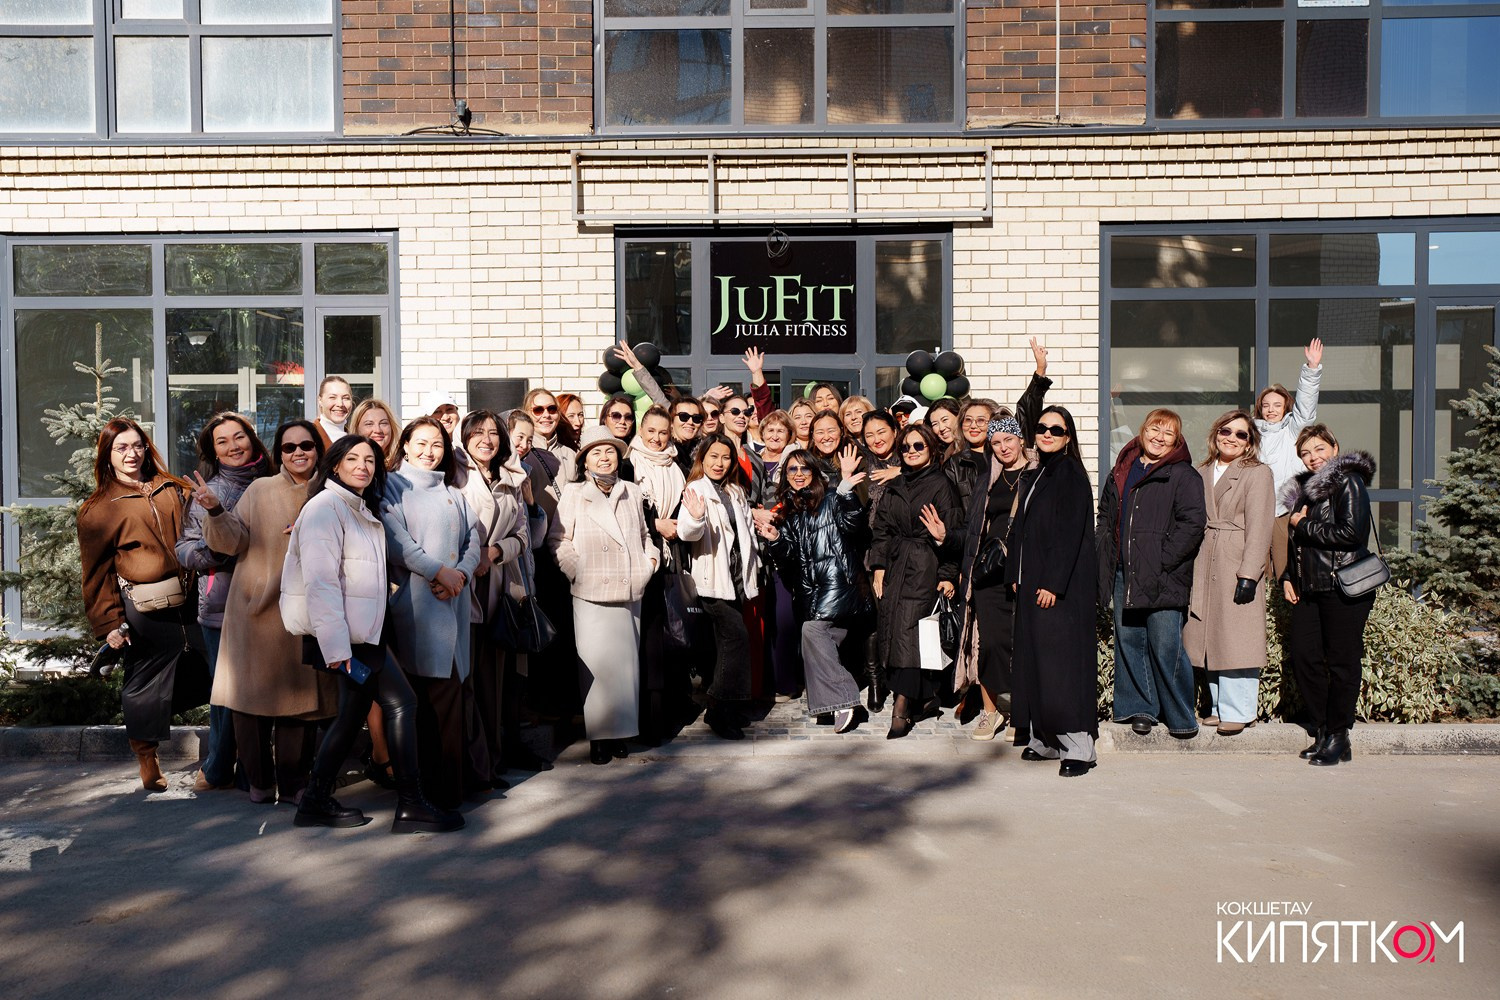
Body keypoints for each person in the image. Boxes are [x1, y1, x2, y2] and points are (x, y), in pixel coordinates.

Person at [281, 435, 461, 832]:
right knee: (403, 703)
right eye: (353, 459)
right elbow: (321, 583)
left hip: (361, 631)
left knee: (351, 714)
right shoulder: (325, 508)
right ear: (335, 465)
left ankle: (314, 801)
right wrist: (337, 648)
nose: (362, 466)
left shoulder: (356, 507)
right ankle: (411, 804)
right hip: (348, 637)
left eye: (369, 460)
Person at [201, 419, 336, 804]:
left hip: (307, 613)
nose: (298, 453)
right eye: (289, 447)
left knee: (301, 704)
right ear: (278, 453)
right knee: (250, 702)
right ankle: (260, 783)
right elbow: (232, 542)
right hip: (256, 611)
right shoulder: (260, 489)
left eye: (306, 445)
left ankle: (293, 784)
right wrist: (215, 510)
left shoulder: (331, 491)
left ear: (318, 450)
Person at [78, 418, 208, 793]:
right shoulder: (98, 509)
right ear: (107, 455)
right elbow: (96, 574)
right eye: (121, 448)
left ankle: (220, 758)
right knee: (145, 683)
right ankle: (147, 757)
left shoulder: (172, 488)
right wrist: (109, 624)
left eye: (137, 445)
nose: (131, 454)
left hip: (190, 598)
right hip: (144, 607)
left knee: (213, 670)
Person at [383, 417, 482, 811]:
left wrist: (460, 574)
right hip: (416, 608)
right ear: (405, 445)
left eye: (437, 444)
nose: (429, 451)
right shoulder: (392, 486)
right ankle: (427, 795)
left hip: (453, 602)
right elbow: (397, 542)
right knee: (423, 704)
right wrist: (438, 572)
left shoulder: (454, 492)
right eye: (421, 443)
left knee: (450, 701)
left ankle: (450, 792)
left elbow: (474, 540)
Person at [176, 411, 274, 793]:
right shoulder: (207, 492)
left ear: (252, 438)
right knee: (226, 692)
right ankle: (217, 767)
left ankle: (253, 769)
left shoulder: (274, 481)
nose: (233, 446)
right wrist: (219, 551)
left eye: (239, 437)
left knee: (264, 689)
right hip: (221, 605)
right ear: (213, 451)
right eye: (223, 441)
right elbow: (184, 549)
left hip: (268, 602)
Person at [550, 427, 659, 764]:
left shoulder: (631, 491)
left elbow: (644, 534)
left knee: (625, 668)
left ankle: (621, 732)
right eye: (596, 452)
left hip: (629, 588)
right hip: (591, 591)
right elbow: (558, 539)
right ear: (584, 461)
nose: (604, 457)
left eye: (609, 451)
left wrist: (650, 562)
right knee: (596, 667)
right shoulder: (574, 493)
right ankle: (600, 736)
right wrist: (577, 570)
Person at [1096, 408, 1206, 739]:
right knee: (1130, 640)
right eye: (1154, 430)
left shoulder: (1183, 475)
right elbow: (1106, 514)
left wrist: (1162, 559)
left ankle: (1180, 716)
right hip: (1123, 570)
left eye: (1168, 433)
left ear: (1176, 441)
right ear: (1143, 431)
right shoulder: (1122, 469)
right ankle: (1140, 709)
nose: (1159, 437)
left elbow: (1193, 524)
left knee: (1166, 644)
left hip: (1164, 574)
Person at [1004, 406, 1100, 776]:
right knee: (1036, 663)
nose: (1046, 433)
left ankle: (1078, 747)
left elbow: (1070, 533)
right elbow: (1021, 528)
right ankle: (1045, 738)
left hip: (1059, 590)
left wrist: (1053, 584)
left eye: (1056, 430)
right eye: (1042, 427)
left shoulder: (1070, 473)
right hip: (1032, 583)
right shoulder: (1040, 471)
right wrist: (1015, 572)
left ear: (1068, 437)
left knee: (1061, 666)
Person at [457, 409, 547, 786]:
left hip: (497, 585)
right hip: (461, 587)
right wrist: (471, 558)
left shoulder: (512, 477)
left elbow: (524, 536)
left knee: (493, 682)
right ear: (464, 437)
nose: (486, 440)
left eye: (493, 433)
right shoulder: (454, 474)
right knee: (465, 683)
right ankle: (469, 766)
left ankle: (490, 763)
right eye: (477, 432)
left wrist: (494, 552)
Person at [1281, 424, 1378, 767]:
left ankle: (1339, 734)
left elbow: (1351, 534)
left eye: (1319, 449)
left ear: (1334, 448)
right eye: (1306, 453)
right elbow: (1297, 545)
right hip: (1310, 587)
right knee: (1303, 656)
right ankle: (1324, 729)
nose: (1313, 458)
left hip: (1342, 587)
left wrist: (1302, 524)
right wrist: (1288, 577)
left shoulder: (1348, 481)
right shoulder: (1305, 491)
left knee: (1342, 662)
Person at [760, 447, 870, 733]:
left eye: (804, 468)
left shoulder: (832, 498)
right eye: (792, 470)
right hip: (813, 591)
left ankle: (844, 700)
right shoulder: (790, 511)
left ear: (814, 472)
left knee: (812, 631)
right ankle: (830, 706)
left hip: (839, 583)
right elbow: (789, 556)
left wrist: (846, 490)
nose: (798, 474)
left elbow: (856, 525)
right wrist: (775, 538)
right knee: (815, 638)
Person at [1182, 410, 1276, 736]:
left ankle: (1240, 711)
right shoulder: (1201, 471)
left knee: (1237, 636)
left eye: (1241, 434)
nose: (1231, 438)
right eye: (1226, 431)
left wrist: (1249, 573)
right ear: (1215, 434)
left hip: (1235, 560)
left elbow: (1260, 527)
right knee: (1211, 634)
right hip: (1204, 557)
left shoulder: (1257, 473)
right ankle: (1219, 707)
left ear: (1250, 442)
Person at [869, 423, 962, 739]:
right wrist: (878, 565)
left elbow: (952, 530)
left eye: (918, 446)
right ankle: (926, 698)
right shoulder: (896, 484)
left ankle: (902, 706)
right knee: (895, 629)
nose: (911, 451)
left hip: (926, 564)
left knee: (911, 633)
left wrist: (948, 574)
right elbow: (881, 528)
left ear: (931, 449)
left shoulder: (942, 484)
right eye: (906, 447)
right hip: (896, 565)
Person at [677, 433, 761, 740]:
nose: (719, 463)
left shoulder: (735, 491)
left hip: (737, 578)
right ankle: (717, 707)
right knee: (735, 640)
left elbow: (747, 534)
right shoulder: (696, 489)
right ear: (703, 458)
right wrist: (697, 518)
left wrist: (755, 566)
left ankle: (729, 707)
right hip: (712, 579)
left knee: (727, 645)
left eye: (725, 457)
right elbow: (687, 533)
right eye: (713, 456)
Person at [955, 414, 1032, 742]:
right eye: (996, 442)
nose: (1003, 447)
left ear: (1021, 440)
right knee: (988, 643)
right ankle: (991, 711)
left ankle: (1022, 712)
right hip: (989, 571)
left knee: (1022, 643)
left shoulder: (1036, 474)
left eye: (1008, 440)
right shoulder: (988, 477)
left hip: (1024, 571)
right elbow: (975, 526)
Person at [630, 404, 690, 743]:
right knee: (648, 641)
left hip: (671, 558)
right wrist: (657, 525)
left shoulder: (675, 466)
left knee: (670, 639)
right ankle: (647, 722)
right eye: (650, 431)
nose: (656, 438)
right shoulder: (631, 462)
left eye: (663, 432)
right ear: (641, 430)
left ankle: (668, 712)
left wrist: (676, 525)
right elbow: (628, 511)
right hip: (643, 558)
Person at [1257, 337, 1324, 579]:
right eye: (1266, 405)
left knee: (1288, 573)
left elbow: (1305, 407)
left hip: (1285, 512)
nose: (1271, 410)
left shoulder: (1293, 431)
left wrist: (1312, 369)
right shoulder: (1251, 434)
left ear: (1286, 407)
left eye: (1277, 405)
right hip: (1257, 514)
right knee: (1257, 575)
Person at [523, 387, 577, 489]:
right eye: (538, 410)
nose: (546, 415)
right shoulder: (520, 452)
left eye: (552, 409)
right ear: (527, 414)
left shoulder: (571, 455)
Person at [350, 398, 401, 469]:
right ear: (357, 429)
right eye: (369, 424)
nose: (378, 430)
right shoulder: (348, 466)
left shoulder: (403, 468)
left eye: (383, 423)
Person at [313, 375, 353, 449]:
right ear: (320, 400)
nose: (340, 404)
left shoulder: (355, 439)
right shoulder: (309, 437)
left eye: (346, 398)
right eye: (332, 397)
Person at [670, 396, 706, 475]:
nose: (690, 422)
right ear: (671, 421)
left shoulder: (704, 452)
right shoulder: (663, 452)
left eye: (696, 418)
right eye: (684, 416)